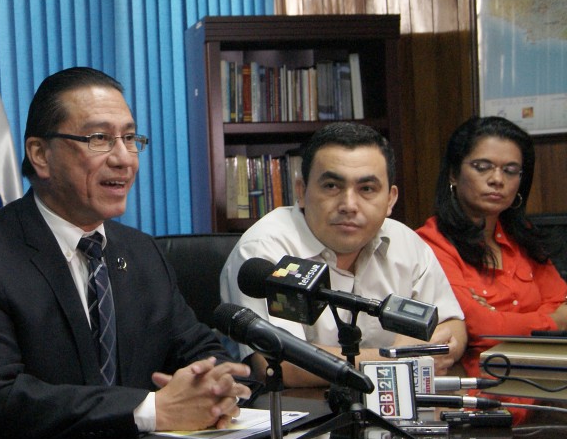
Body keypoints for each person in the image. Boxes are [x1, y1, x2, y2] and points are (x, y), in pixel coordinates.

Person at [0, 67, 251, 439]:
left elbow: (198, 348)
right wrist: (152, 410)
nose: (124, 159)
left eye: (130, 138)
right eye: (99, 138)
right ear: (40, 155)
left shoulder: (141, 252)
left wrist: (215, 386)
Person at [220, 122, 466, 386]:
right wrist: (396, 360)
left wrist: (440, 346)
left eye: (367, 189)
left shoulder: (405, 242)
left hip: (388, 404)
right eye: (331, 186)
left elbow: (452, 325)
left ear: (390, 199)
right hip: (294, 408)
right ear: (301, 191)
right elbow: (279, 362)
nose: (349, 205)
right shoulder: (263, 249)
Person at [416, 116, 567, 380]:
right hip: (483, 391)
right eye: (482, 167)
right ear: (454, 173)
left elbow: (562, 303)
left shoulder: (522, 236)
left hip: (546, 383)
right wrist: (552, 320)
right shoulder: (430, 243)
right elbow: (480, 327)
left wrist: (501, 319)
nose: (497, 179)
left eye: (510, 170)